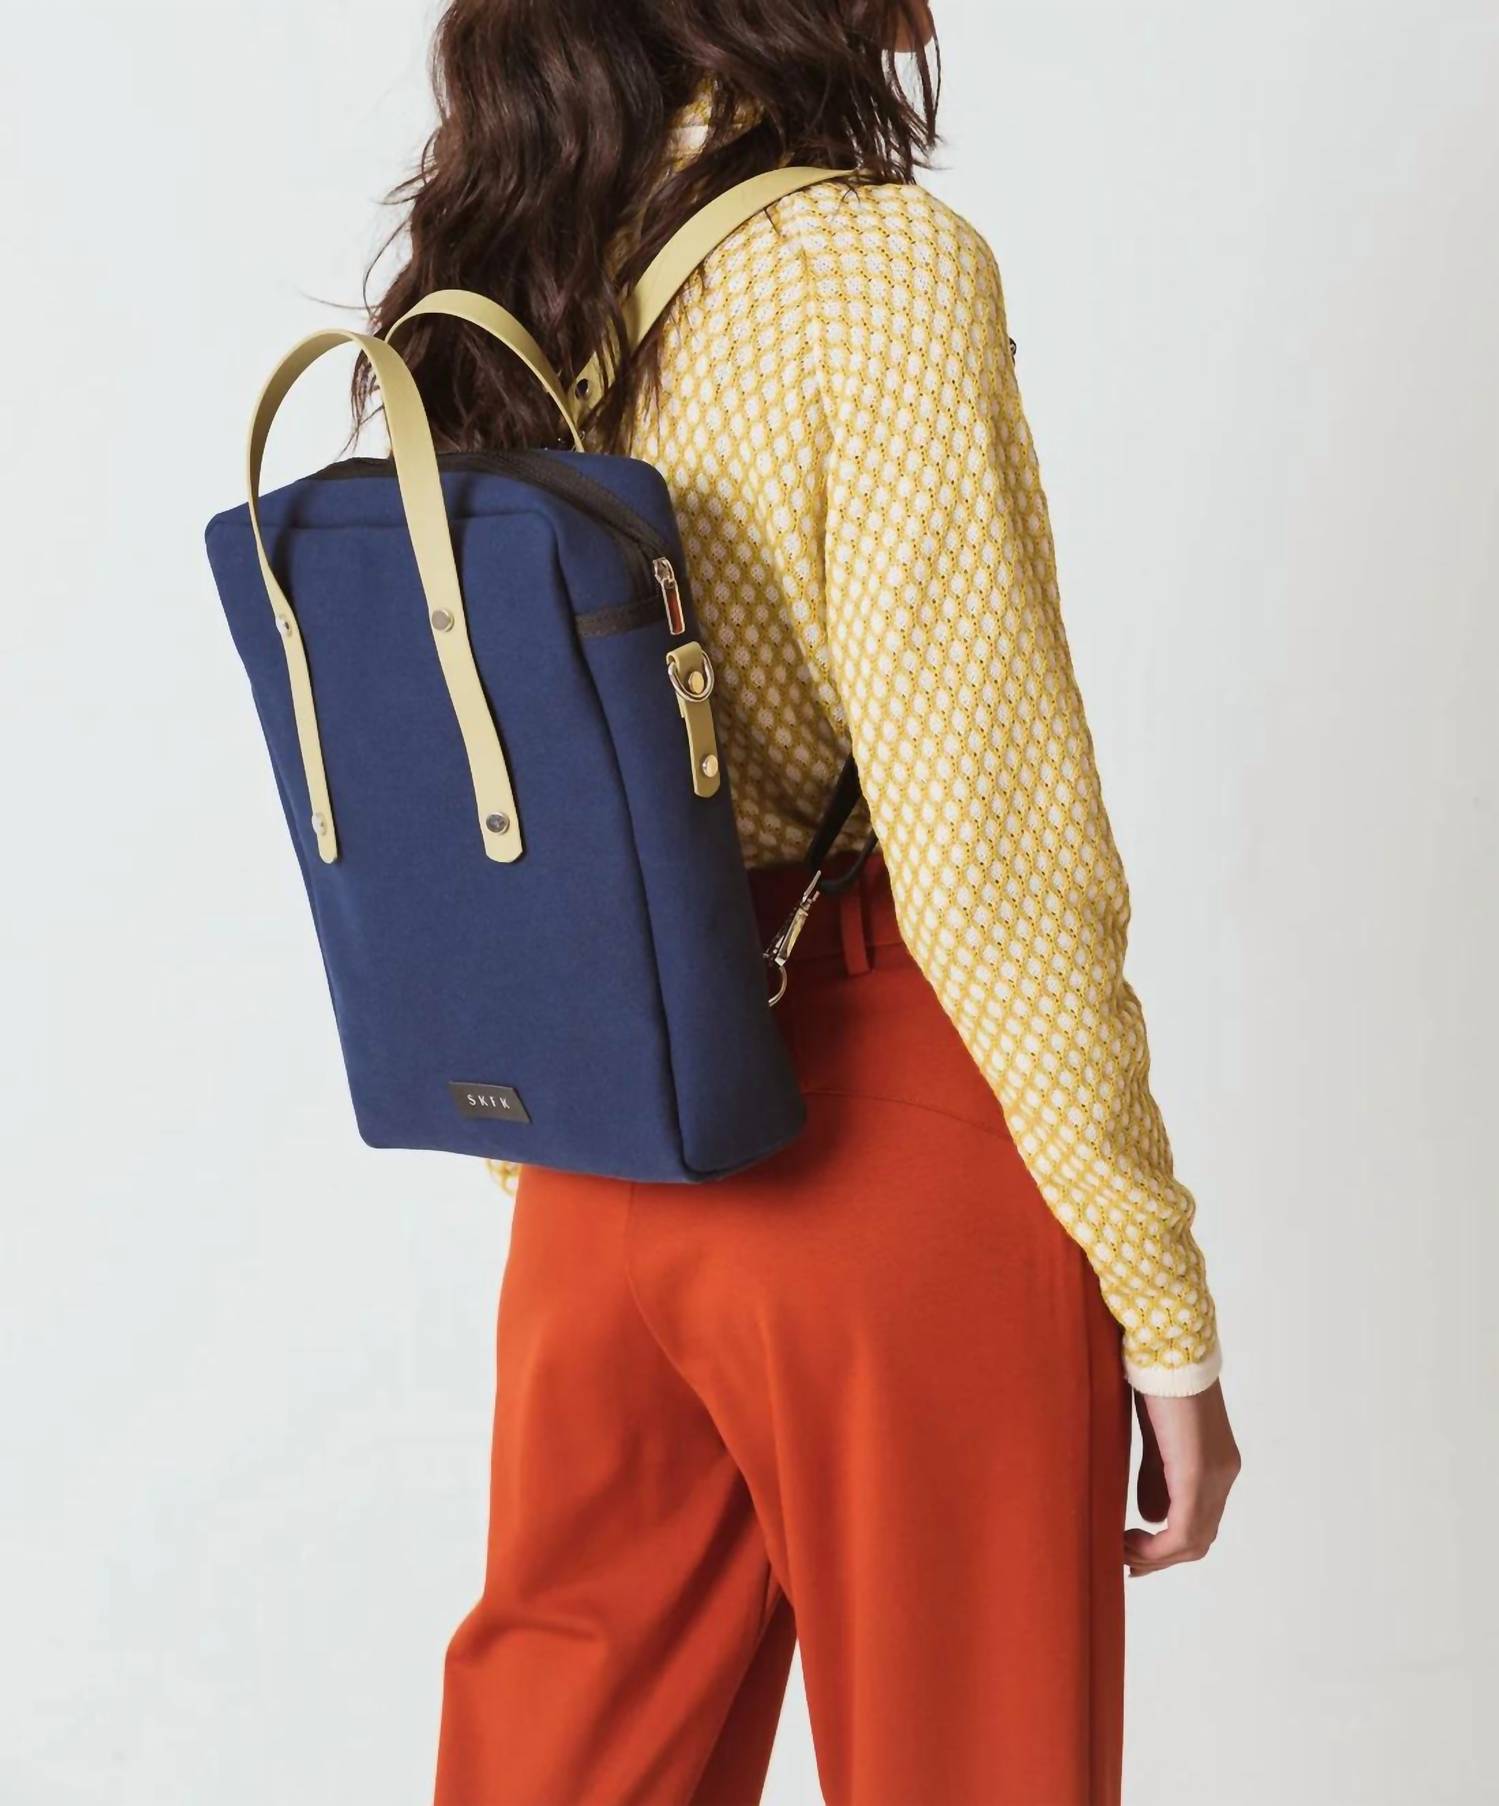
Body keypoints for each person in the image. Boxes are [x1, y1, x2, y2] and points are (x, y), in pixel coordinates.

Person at [362, 2, 1242, 1799]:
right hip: (882, 1123)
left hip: (604, 1152)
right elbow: (990, 838)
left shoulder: (502, 271)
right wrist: (1162, 1301)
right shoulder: (877, 271)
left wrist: (571, 1142)